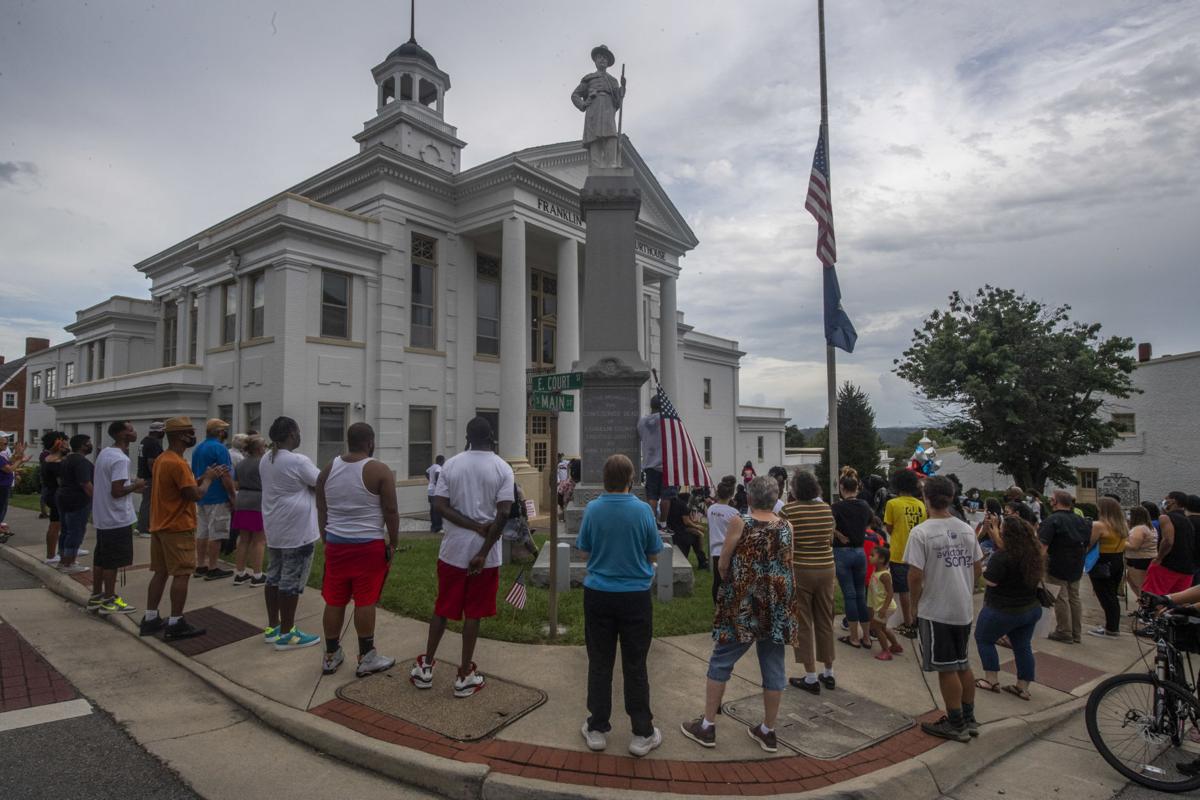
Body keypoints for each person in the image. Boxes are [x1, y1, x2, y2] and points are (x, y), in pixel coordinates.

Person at [680, 475, 796, 753]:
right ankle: (768, 730)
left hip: (744, 601)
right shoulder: (787, 526)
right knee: (773, 663)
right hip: (777, 603)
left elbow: (725, 561)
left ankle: (707, 725)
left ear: (750, 498)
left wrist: (730, 578)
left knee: (722, 659)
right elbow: (788, 562)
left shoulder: (741, 522)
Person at [411, 417, 513, 698]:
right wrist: (482, 549)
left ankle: (426, 667)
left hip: (453, 550)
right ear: (491, 436)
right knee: (474, 613)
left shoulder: (452, 464)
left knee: (442, 608)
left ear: (467, 437)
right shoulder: (502, 467)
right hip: (487, 555)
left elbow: (440, 505)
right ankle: (465, 674)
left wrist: (469, 526)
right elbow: (504, 513)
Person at [576, 453, 663, 757]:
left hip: (598, 594)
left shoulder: (593, 509)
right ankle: (642, 733)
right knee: (635, 664)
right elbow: (654, 552)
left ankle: (597, 727)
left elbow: (584, 553)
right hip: (635, 597)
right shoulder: (642, 511)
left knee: (599, 662)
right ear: (630, 479)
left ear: (604, 478)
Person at [317, 422, 399, 676]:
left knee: (334, 600)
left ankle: (331, 655)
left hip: (336, 544)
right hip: (368, 546)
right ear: (370, 442)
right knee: (365, 600)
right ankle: (367, 656)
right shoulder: (379, 470)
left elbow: (321, 507)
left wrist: (325, 537)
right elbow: (391, 510)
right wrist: (393, 542)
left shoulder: (328, 469)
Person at [907, 475, 984, 743]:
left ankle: (955, 721)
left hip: (936, 608)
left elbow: (915, 575)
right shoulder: (965, 529)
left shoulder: (922, 532)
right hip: (962, 606)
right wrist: (967, 588)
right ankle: (969, 716)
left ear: (926, 498)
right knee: (963, 662)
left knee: (946, 668)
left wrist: (913, 607)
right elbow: (977, 567)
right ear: (951, 498)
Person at [139, 417, 226, 640]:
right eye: (189, 432)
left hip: (160, 525)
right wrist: (208, 480)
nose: (192, 435)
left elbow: (181, 488)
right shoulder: (177, 463)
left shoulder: (163, 459)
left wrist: (200, 478)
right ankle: (176, 622)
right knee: (182, 574)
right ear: (180, 436)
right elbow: (194, 495)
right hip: (177, 526)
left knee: (160, 572)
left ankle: (150, 618)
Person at [259, 416, 322, 650]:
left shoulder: (267, 459)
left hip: (275, 529)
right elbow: (320, 484)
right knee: (290, 582)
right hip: (297, 531)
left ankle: (273, 627)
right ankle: (288, 634)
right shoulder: (298, 460)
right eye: (298, 432)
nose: (299, 436)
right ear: (292, 435)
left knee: (273, 576)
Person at [974, 516, 1044, 701]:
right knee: (1022, 646)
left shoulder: (1002, 556)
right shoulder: (1034, 554)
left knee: (984, 639)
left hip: (1002, 609)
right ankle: (1023, 687)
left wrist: (981, 569)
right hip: (1030, 608)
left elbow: (990, 581)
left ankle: (991, 680)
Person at [782, 469, 836, 694]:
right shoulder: (826, 509)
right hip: (826, 567)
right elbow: (830, 537)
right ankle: (829, 671)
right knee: (825, 618)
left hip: (801, 568)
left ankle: (811, 675)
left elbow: (784, 542)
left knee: (803, 621)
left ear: (795, 489)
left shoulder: (789, 510)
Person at [88, 421, 145, 616]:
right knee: (112, 562)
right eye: (130, 429)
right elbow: (117, 491)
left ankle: (96, 596)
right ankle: (109, 600)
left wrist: (131, 485)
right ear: (122, 435)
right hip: (117, 518)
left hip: (104, 516)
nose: (134, 432)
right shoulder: (121, 459)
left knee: (101, 558)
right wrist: (136, 485)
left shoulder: (105, 453)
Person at [1038, 490, 1092, 643]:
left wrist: (1036, 565)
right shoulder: (1082, 520)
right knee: (1074, 597)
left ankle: (1063, 631)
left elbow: (1043, 546)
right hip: (1076, 564)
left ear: (1056, 501)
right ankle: (1076, 632)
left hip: (1057, 564)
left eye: (1051, 499)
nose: (1050, 501)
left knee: (1060, 597)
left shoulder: (1052, 520)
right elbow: (1086, 544)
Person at [832, 467, 873, 649]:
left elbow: (827, 525)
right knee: (860, 595)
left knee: (849, 595)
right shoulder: (864, 506)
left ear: (842, 488)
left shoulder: (837, 507)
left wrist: (838, 534)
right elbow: (870, 522)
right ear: (857, 488)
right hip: (860, 551)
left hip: (842, 552)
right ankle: (867, 637)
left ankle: (854, 637)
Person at [191, 419, 237, 581]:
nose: (226, 434)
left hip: (202, 496)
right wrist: (232, 496)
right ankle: (213, 567)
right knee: (216, 533)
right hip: (218, 496)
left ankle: (200, 564)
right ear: (219, 432)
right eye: (224, 430)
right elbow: (225, 475)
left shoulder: (199, 448)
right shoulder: (220, 448)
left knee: (202, 531)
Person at [883, 468, 926, 638]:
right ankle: (917, 617)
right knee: (918, 586)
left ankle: (909, 623)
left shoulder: (892, 504)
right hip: (918, 553)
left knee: (903, 590)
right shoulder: (920, 504)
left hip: (899, 552)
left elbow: (889, 527)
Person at [571, 44, 624, 169]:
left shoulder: (613, 80)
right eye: (600, 57)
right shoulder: (589, 78)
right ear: (595, 60)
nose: (602, 60)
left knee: (611, 134)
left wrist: (623, 89)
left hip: (608, 108)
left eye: (605, 58)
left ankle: (612, 163)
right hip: (593, 109)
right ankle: (595, 166)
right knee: (593, 136)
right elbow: (575, 95)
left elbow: (618, 101)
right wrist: (583, 104)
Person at [1086, 497, 1129, 638]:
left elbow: (1088, 544)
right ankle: (1112, 625)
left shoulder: (1099, 525)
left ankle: (1111, 629)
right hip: (1117, 559)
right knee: (1112, 595)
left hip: (1102, 561)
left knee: (1104, 595)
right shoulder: (1122, 524)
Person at [231, 435, 267, 587]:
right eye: (264, 446)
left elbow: (236, 484)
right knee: (259, 540)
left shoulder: (241, 463)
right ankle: (257, 575)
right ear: (259, 448)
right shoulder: (263, 464)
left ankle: (240, 573)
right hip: (257, 501)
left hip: (242, 500)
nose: (266, 449)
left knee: (244, 539)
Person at [1142, 492, 1196, 595]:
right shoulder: (1187, 520)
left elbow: (1168, 540)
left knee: (1152, 597)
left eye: (1166, 499)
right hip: (1187, 568)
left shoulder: (1165, 518)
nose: (1163, 501)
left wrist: (1159, 558)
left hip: (1167, 565)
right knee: (1175, 601)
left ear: (1172, 501)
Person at [55, 434, 94, 575]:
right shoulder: (81, 462)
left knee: (66, 530)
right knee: (75, 531)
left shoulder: (67, 459)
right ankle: (69, 562)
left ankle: (63, 559)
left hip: (64, 498)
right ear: (82, 446)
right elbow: (85, 483)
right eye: (88, 443)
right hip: (77, 500)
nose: (90, 445)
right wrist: (96, 499)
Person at [636, 395, 672, 525]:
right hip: (667, 464)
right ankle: (663, 523)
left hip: (649, 464)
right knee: (666, 496)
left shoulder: (642, 422)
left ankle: (651, 523)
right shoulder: (668, 420)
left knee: (652, 496)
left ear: (651, 405)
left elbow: (640, 436)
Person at [706, 476, 740, 603]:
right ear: (731, 494)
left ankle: (717, 605)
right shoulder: (733, 513)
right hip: (729, 549)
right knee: (730, 581)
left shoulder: (711, 509)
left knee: (717, 580)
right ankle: (729, 605)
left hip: (715, 549)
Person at [39, 431, 68, 564]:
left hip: (51, 494)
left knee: (56, 524)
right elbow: (62, 482)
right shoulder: (54, 463)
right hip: (56, 495)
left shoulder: (47, 458)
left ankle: (52, 554)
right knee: (56, 525)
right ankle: (51, 555)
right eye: (61, 441)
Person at [135, 421, 165, 539]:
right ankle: (144, 529)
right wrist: (157, 477)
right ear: (158, 431)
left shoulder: (144, 441)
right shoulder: (153, 443)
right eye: (163, 431)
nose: (164, 433)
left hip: (142, 475)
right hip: (150, 477)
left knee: (146, 502)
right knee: (148, 503)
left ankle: (140, 526)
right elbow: (151, 462)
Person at [666, 492, 708, 570]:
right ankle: (702, 560)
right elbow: (686, 521)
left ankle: (702, 560)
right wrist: (697, 526)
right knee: (699, 534)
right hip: (681, 531)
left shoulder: (670, 502)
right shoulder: (683, 505)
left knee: (697, 533)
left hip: (672, 528)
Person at [1124, 504, 1158, 597]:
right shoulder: (1148, 527)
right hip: (1146, 558)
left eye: (1129, 514)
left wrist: (1119, 542)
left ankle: (1147, 607)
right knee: (1132, 580)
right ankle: (1144, 604)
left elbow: (1134, 546)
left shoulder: (1139, 529)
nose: (1127, 516)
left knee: (1141, 586)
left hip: (1139, 559)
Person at [0, 433, 29, 539]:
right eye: (4, 443)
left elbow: (10, 463)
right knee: (2, 507)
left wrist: (18, 454)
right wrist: (20, 460)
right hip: (2, 485)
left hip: (4, 485)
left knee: (3, 507)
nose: (6, 445)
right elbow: (9, 469)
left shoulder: (2, 456)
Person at [976, 498, 1003, 563]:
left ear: (989, 506)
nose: (984, 505)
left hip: (987, 544)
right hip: (994, 544)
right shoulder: (999, 517)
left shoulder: (989, 518)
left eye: (985, 504)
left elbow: (984, 532)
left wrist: (977, 540)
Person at [426, 454, 445, 533]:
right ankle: (438, 527)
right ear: (441, 461)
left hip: (430, 490)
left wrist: (431, 480)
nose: (444, 462)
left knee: (432, 509)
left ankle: (433, 526)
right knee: (437, 509)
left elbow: (426, 472)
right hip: (435, 491)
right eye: (444, 461)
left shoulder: (432, 466)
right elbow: (437, 474)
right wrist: (438, 484)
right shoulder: (438, 468)